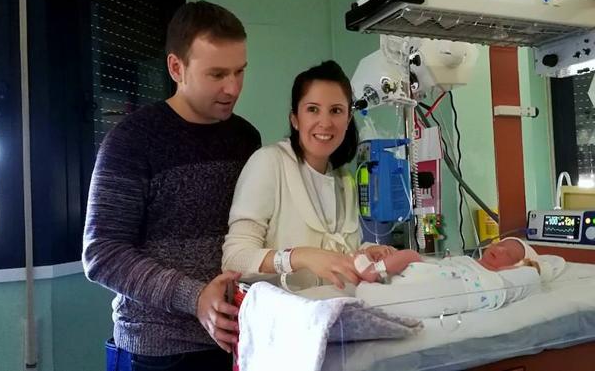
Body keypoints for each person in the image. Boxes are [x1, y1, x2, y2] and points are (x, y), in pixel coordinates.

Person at [83, 1, 261, 370]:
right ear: (176, 67)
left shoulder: (246, 138)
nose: (232, 87)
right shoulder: (131, 140)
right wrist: (194, 297)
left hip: (239, 336)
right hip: (160, 348)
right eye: (217, 74)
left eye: (239, 72)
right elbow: (102, 253)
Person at [222, 60, 392, 292]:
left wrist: (364, 252)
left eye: (336, 110)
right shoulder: (269, 163)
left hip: (334, 315)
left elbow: (334, 256)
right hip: (283, 320)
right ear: (295, 119)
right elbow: (235, 259)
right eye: (313, 109)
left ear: (348, 119)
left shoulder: (344, 179)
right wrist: (300, 256)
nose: (325, 122)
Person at [355, 238, 566, 318]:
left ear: (513, 266)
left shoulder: (490, 277)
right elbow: (437, 264)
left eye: (507, 253)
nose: (498, 249)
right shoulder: (466, 259)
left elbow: (532, 273)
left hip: (434, 282)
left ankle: (374, 271)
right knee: (409, 256)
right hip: (424, 272)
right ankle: (377, 268)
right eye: (499, 244)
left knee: (410, 255)